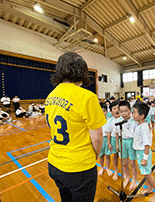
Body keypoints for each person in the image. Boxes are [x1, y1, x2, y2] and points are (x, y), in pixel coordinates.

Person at [45, 52, 106, 202]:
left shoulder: (50, 96)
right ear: (83, 71)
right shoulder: (87, 97)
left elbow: (50, 126)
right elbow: (97, 137)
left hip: (54, 162)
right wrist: (95, 155)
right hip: (79, 167)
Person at [132, 102, 155, 202]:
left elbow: (147, 145)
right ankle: (149, 188)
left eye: (134, 113)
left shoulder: (144, 127)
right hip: (139, 153)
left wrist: (145, 158)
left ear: (142, 115)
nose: (132, 115)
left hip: (143, 153)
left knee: (148, 174)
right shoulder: (139, 124)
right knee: (145, 173)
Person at [115, 100, 137, 190]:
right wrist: (117, 144)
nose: (123, 113)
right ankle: (127, 177)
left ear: (130, 110)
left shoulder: (134, 121)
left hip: (131, 142)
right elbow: (117, 133)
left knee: (132, 163)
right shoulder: (118, 121)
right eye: (121, 111)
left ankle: (134, 179)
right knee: (124, 163)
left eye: (125, 111)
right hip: (122, 142)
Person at [105, 101, 121, 181]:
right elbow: (108, 133)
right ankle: (116, 171)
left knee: (124, 157)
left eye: (118, 108)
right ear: (111, 111)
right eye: (114, 109)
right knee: (115, 156)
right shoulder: (110, 121)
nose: (116, 110)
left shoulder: (123, 119)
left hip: (122, 140)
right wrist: (109, 143)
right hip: (114, 139)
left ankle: (126, 173)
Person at [98, 103, 114, 177]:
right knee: (101, 155)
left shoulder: (108, 121)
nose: (102, 113)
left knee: (107, 156)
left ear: (107, 112)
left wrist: (109, 143)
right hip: (100, 140)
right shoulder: (96, 121)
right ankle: (101, 167)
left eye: (104, 111)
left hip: (107, 140)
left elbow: (108, 133)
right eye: (100, 111)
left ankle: (107, 168)